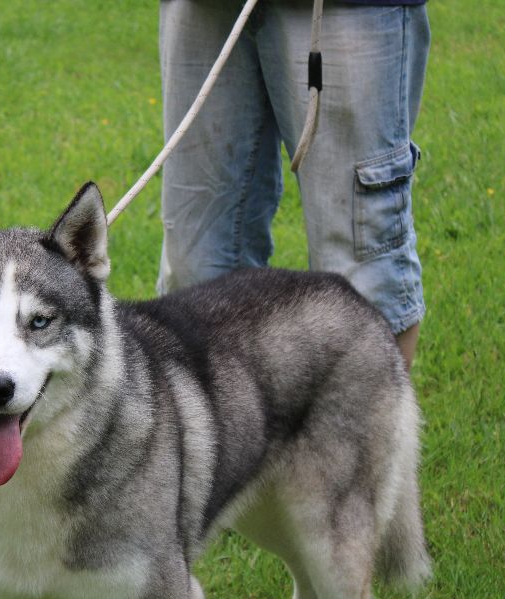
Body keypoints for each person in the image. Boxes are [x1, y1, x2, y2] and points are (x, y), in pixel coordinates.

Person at [158, 0, 430, 369]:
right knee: (194, 273)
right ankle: (235, 428)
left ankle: (360, 427)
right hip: (203, 9)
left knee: (360, 273)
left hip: (344, 9)